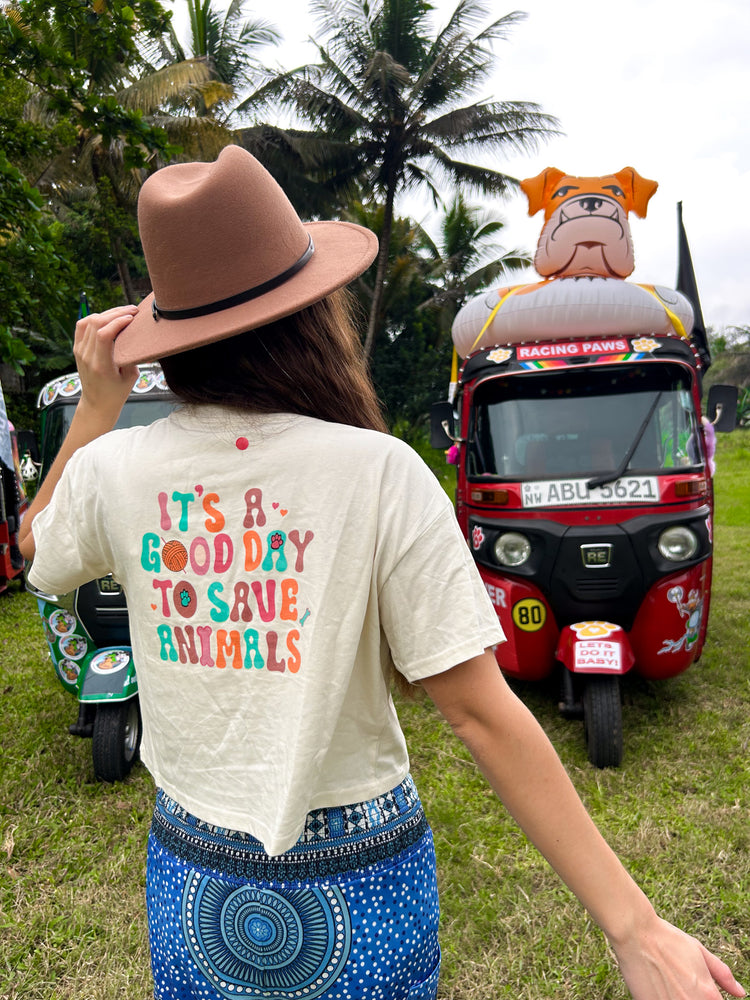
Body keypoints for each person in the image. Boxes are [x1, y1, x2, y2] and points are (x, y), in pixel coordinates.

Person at [19, 146, 744, 1000]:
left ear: (172, 334)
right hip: (365, 882)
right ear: (311, 311)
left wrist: (98, 406)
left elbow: (37, 550)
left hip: (194, 881)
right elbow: (479, 713)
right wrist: (637, 927)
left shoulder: (116, 469)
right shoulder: (377, 469)